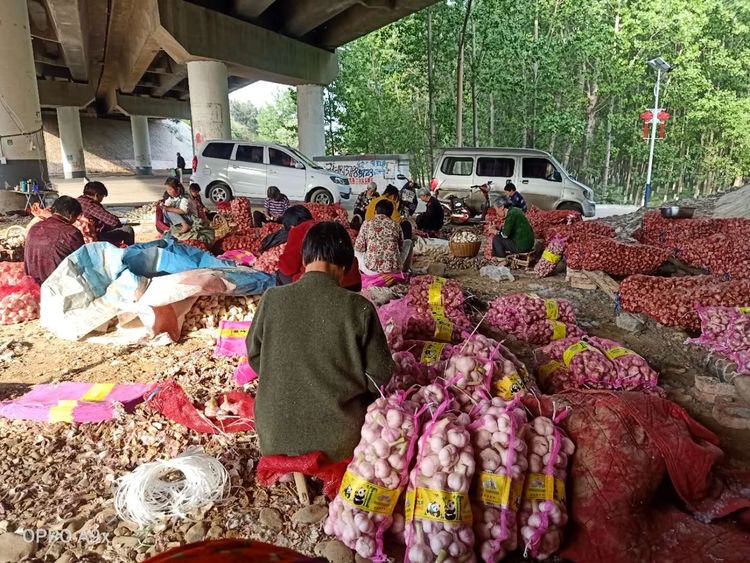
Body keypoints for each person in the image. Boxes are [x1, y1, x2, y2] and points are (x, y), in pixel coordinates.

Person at [247, 221, 394, 462]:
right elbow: (379, 376)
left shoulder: (272, 298)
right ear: (346, 267)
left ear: (304, 261)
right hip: (339, 443)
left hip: (274, 438)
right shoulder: (359, 308)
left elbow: (255, 357)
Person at [276, 213, 362, 291]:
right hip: (353, 283)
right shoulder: (334, 230)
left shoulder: (299, 230)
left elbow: (287, 268)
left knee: (282, 273)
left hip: (317, 287)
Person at [24, 196, 85, 285]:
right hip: (57, 286)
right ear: (71, 215)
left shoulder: (35, 227)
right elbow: (82, 262)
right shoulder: (71, 232)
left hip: (33, 283)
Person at [355, 199, 412, 274]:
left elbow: (359, 247)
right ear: (391, 213)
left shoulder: (367, 223)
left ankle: (361, 273)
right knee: (409, 242)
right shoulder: (396, 225)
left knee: (355, 251)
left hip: (371, 270)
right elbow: (400, 247)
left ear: (375, 211)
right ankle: (406, 270)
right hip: (393, 271)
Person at [78, 181, 135, 246]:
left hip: (79, 237)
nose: (101, 200)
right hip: (94, 238)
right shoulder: (91, 206)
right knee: (128, 229)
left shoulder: (77, 201)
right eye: (102, 197)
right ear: (97, 195)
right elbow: (114, 222)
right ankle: (129, 253)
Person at [159, 177, 214, 244]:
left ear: (178, 189)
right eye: (167, 189)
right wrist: (163, 205)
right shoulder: (172, 197)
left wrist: (168, 208)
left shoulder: (185, 197)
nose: (168, 191)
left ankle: (185, 225)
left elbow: (183, 211)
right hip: (182, 219)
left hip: (190, 218)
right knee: (165, 210)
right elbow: (167, 204)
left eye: (170, 189)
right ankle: (180, 225)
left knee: (168, 210)